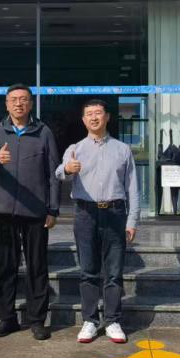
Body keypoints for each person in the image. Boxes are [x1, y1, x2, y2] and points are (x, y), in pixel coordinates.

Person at [0, 83, 60, 340]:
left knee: (37, 267)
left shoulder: (43, 132)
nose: (19, 103)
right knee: (5, 266)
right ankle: (7, 318)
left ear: (31, 104)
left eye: (24, 99)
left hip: (36, 211)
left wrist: (53, 208)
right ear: (6, 104)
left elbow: (53, 173)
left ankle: (36, 320)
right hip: (4, 211)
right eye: (14, 99)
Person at [57, 98, 140, 344]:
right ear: (84, 120)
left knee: (114, 271)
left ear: (107, 117)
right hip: (86, 214)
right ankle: (91, 321)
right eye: (89, 114)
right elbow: (59, 173)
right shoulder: (75, 149)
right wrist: (68, 169)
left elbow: (132, 188)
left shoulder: (122, 149)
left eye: (98, 113)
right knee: (88, 270)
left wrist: (132, 220)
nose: (94, 117)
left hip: (115, 212)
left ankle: (113, 320)